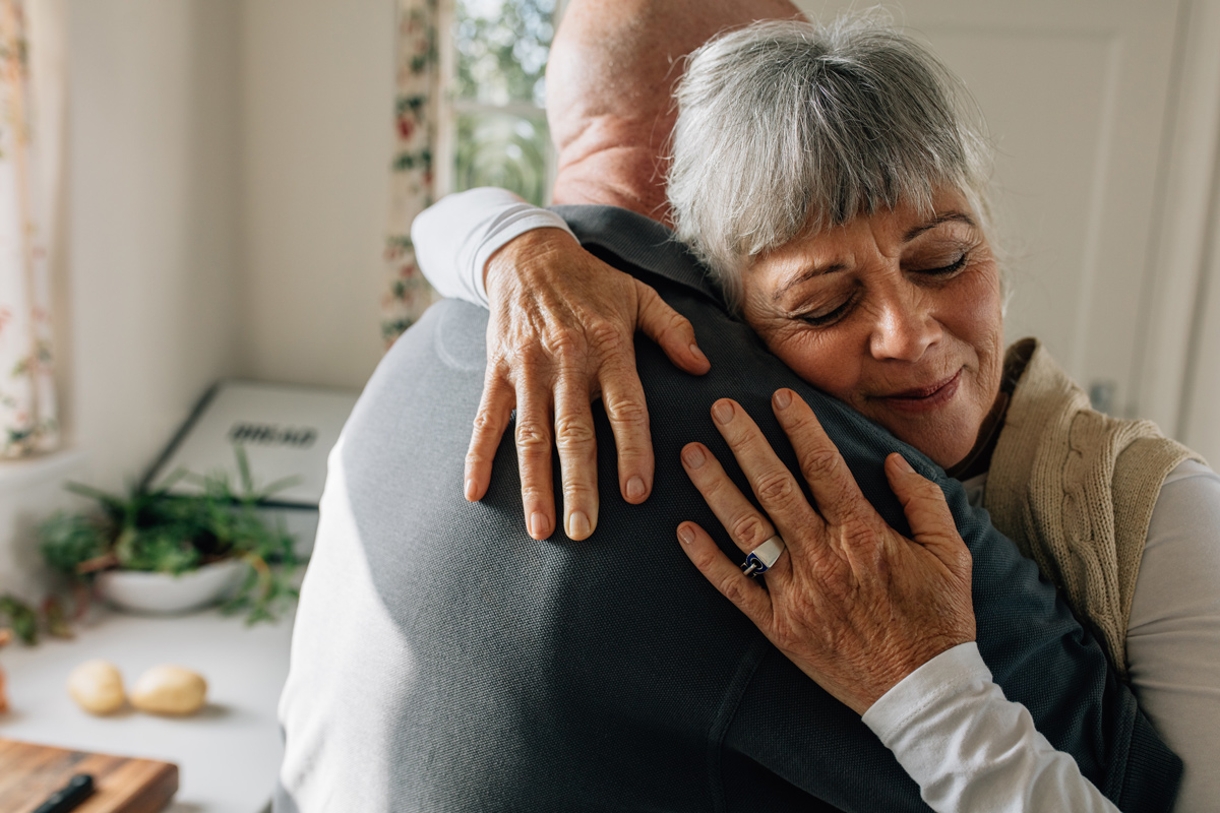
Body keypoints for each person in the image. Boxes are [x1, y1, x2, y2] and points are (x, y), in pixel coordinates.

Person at [274, 3, 1183, 812]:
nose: (905, 334)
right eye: (824, 302)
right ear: (730, 158)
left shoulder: (417, 353)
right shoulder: (807, 474)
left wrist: (506, 239)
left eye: (942, 258)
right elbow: (1119, 784)